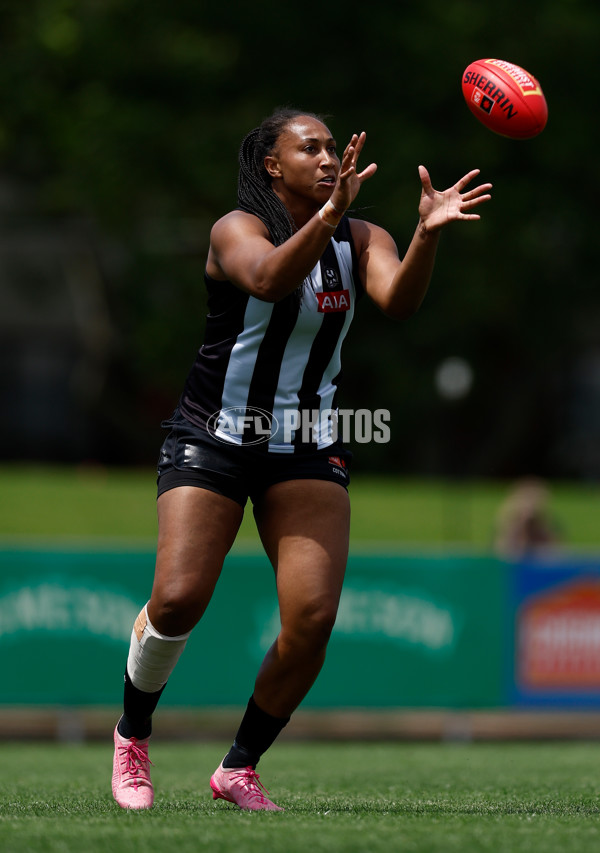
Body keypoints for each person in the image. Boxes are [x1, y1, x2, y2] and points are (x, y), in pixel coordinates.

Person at [111, 108, 492, 811]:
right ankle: (133, 735)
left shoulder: (361, 235)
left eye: (330, 146)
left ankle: (239, 766)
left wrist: (425, 238)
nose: (326, 157)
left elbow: (398, 300)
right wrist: (326, 220)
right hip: (216, 434)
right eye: (308, 148)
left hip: (307, 442)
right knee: (177, 599)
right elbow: (266, 281)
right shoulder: (237, 230)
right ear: (272, 166)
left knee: (312, 618)